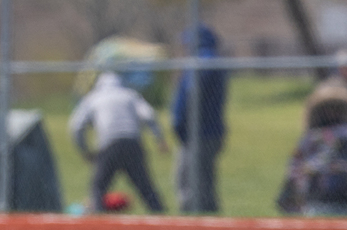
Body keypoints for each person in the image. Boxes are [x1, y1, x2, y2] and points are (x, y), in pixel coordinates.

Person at [276, 77, 347, 215]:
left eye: (337, 108)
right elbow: (295, 168)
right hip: (314, 201)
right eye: (327, 109)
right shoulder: (311, 137)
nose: (332, 112)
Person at [68, 71, 169, 213]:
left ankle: (98, 219)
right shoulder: (130, 95)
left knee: (98, 188)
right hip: (132, 144)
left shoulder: (93, 98)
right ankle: (159, 214)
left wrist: (84, 150)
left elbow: (76, 126)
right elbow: (149, 115)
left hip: (109, 145)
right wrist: (159, 139)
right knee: (145, 186)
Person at [171, 24, 228, 214]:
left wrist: (178, 124)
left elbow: (188, 95)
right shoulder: (215, 62)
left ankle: (194, 225)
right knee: (205, 182)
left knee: (189, 183)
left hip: (197, 133)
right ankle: (210, 221)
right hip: (212, 131)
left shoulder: (201, 63)